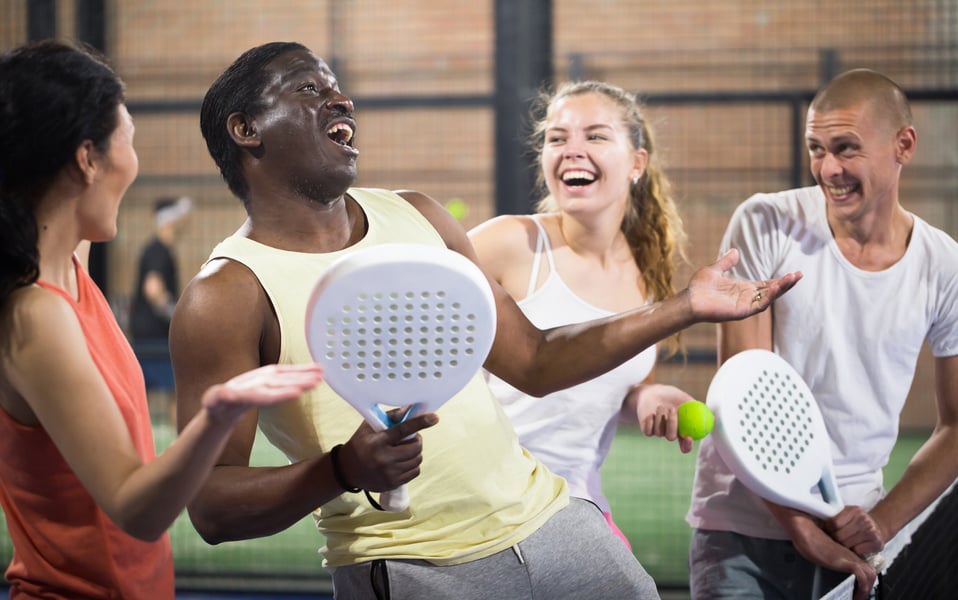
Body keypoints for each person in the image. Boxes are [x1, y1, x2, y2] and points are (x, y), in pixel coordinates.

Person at [171, 41, 799, 600]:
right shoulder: (225, 295)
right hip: (413, 566)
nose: (343, 99)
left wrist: (683, 306)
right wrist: (341, 470)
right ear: (246, 128)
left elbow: (536, 360)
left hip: (556, 524)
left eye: (336, 85)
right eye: (311, 89)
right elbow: (212, 507)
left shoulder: (418, 216)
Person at [0, 40, 324, 599]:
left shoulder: (70, 261)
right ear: (86, 159)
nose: (137, 163)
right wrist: (218, 415)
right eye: (130, 141)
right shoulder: (36, 314)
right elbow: (136, 509)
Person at [686, 68, 958, 600]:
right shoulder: (765, 222)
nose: (827, 168)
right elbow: (743, 394)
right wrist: (801, 527)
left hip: (855, 539)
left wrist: (878, 524)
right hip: (743, 528)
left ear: (903, 145)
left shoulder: (944, 265)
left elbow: (956, 426)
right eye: (816, 148)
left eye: (846, 148)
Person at [469, 80, 699, 549]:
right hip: (483, 516)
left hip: (578, 510)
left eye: (595, 136)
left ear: (637, 162)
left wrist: (650, 398)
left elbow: (623, 380)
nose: (572, 149)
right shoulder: (509, 244)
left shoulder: (649, 270)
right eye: (558, 138)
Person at [131, 195, 192, 426]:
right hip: (155, 337)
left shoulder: (155, 248)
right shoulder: (159, 251)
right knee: (173, 394)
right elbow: (153, 289)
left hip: (147, 334)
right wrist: (177, 315)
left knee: (143, 394)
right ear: (170, 221)